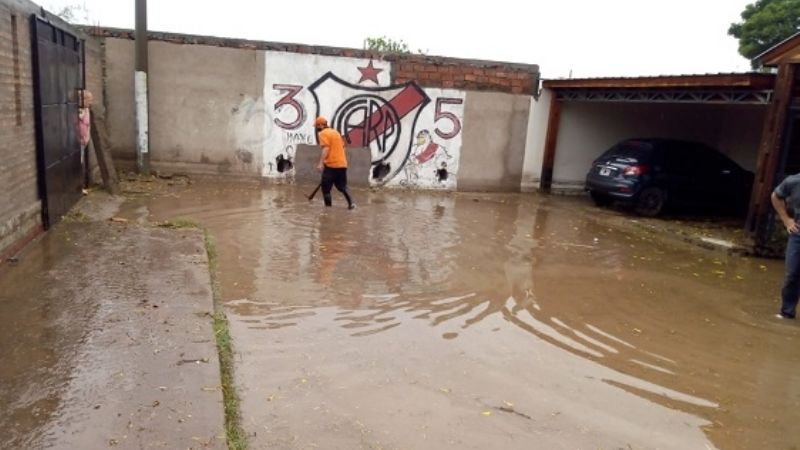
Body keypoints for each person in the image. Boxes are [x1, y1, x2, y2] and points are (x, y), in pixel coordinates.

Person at [772, 174, 800, 318]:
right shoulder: (793, 181)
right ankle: (787, 312)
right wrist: (786, 220)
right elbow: (776, 196)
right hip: (798, 234)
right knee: (792, 274)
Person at [314, 116, 355, 209]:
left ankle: (328, 210)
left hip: (331, 165)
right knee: (343, 187)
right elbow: (343, 147)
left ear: (320, 125)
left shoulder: (323, 133)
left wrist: (321, 163)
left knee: (326, 190)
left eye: (317, 126)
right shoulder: (336, 132)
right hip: (342, 164)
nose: (316, 129)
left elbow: (326, 148)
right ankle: (352, 204)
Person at [78, 90, 93, 194]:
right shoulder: (75, 110)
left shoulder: (87, 110)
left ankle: (80, 186)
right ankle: (78, 187)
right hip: (76, 141)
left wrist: (87, 136)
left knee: (81, 163)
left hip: (84, 141)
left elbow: (88, 125)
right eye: (89, 100)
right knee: (77, 164)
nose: (90, 102)